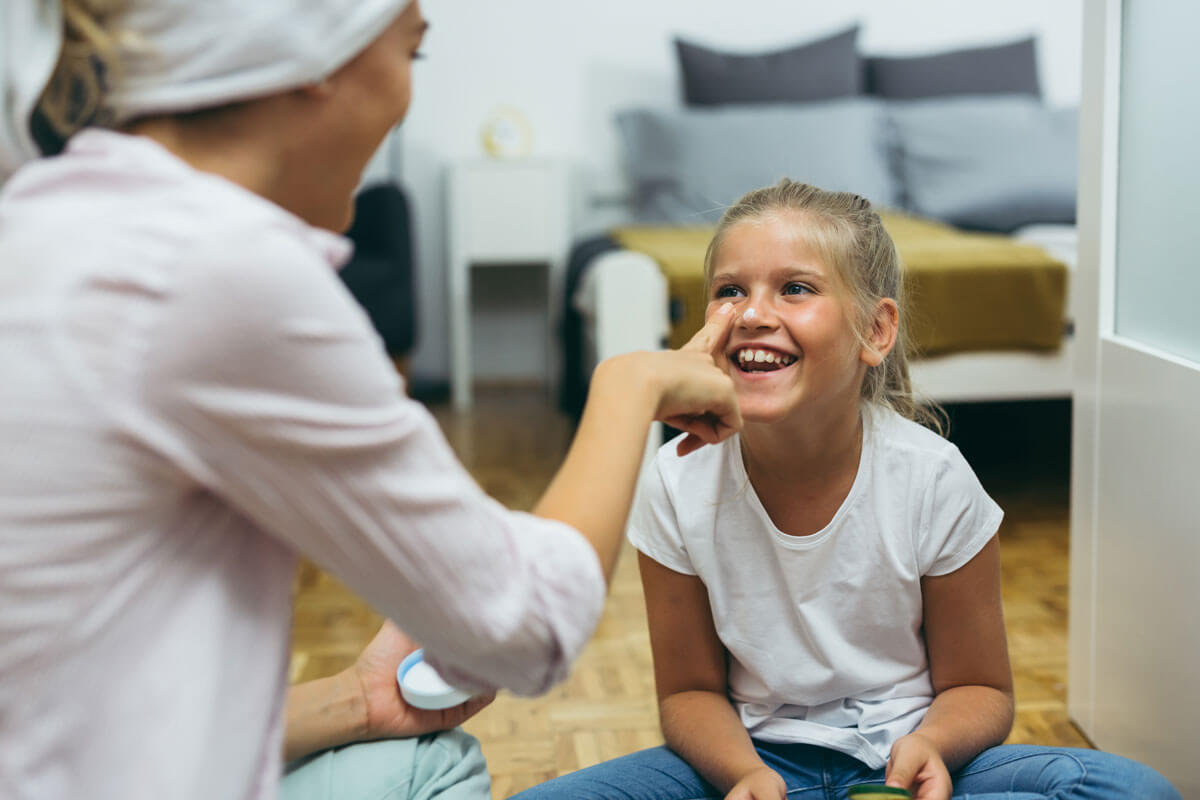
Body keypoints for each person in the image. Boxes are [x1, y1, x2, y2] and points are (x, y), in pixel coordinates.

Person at [0, 1, 742, 798]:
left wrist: (358, 699)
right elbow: (526, 626)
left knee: (423, 756)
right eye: (412, 57)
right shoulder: (216, 269)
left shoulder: (47, 219)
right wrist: (632, 381)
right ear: (315, 59)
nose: (404, 102)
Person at [509, 180, 1181, 800]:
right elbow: (687, 692)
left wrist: (932, 746)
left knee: (1130, 790)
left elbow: (980, 687)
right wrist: (744, 774)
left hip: (903, 762)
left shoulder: (933, 476)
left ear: (875, 331)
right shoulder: (677, 480)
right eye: (730, 291)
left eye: (795, 289)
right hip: (751, 757)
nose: (752, 314)